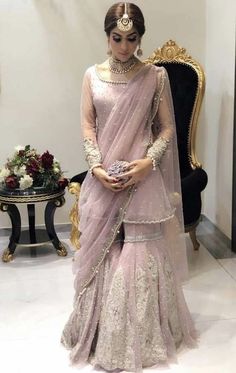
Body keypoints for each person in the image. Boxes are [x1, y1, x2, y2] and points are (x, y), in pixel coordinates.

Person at [61, 2, 197, 372]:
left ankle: (142, 336)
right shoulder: (92, 75)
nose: (124, 47)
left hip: (141, 178)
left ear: (140, 38)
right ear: (107, 38)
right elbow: (88, 127)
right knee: (103, 253)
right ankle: (98, 332)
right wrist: (96, 167)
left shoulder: (155, 76)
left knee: (138, 255)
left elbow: (166, 129)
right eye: (117, 38)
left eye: (131, 38)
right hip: (104, 177)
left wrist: (147, 163)